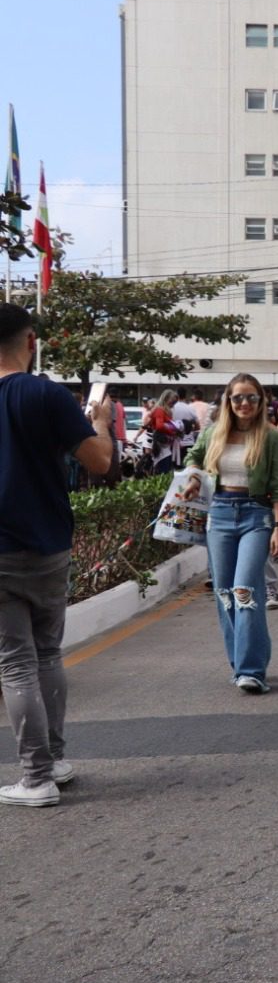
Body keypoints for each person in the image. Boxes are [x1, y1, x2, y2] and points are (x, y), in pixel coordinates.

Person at [0, 305, 114, 806]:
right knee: (46, 653)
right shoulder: (47, 394)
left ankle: (36, 777)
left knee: (15, 663)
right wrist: (102, 422)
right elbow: (101, 461)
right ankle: (57, 760)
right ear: (29, 341)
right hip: (49, 542)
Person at [181, 373, 278, 694]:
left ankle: (252, 670)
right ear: (228, 401)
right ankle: (240, 662)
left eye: (251, 398)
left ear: (261, 402)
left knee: (244, 589)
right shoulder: (214, 432)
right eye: (238, 397)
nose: (244, 403)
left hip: (256, 514)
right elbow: (193, 457)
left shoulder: (271, 437)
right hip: (220, 513)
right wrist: (193, 478)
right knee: (225, 594)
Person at [146, 389, 183, 474]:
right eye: (172, 401)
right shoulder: (160, 410)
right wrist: (173, 431)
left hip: (164, 444)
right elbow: (159, 426)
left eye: (175, 402)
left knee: (164, 468)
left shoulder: (161, 410)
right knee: (163, 469)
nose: (173, 404)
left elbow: (152, 424)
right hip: (162, 445)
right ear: (166, 398)